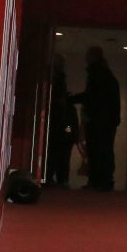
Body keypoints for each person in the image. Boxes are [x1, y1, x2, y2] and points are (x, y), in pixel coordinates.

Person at [69, 46, 120, 192]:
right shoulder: (107, 76)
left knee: (97, 150)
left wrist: (70, 100)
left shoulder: (96, 75)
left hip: (98, 120)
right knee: (105, 149)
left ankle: (98, 180)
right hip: (107, 120)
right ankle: (104, 180)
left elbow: (91, 96)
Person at [46, 54, 78, 187]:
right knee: (61, 154)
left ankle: (51, 177)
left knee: (55, 152)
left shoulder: (54, 78)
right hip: (62, 125)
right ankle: (60, 179)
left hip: (59, 125)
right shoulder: (58, 79)